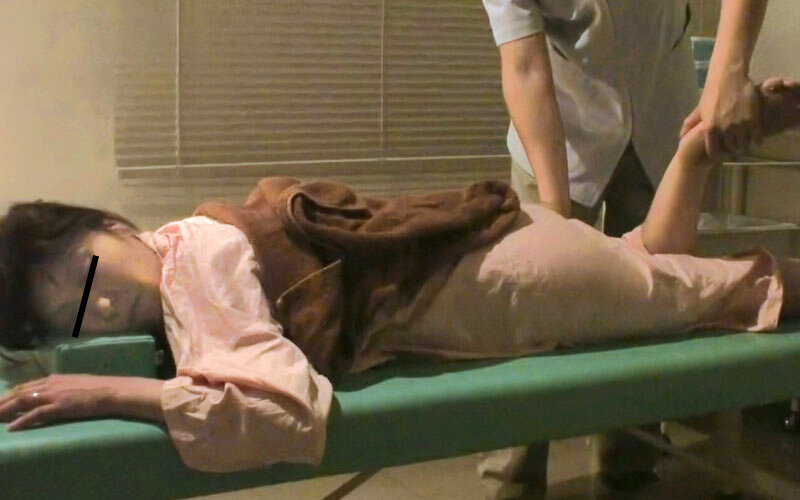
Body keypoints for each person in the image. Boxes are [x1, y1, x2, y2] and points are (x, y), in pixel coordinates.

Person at [0, 79, 798, 476]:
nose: (102, 301)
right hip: (504, 248)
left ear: (106, 226)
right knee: (651, 272)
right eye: (78, 314)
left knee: (698, 292)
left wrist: (110, 394)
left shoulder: (192, 269)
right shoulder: (179, 239)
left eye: (84, 273)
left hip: (500, 282)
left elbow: (287, 415)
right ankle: (694, 153)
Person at [481, 0, 770, 495]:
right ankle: (511, 484)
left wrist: (729, 68)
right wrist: (554, 215)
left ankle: (630, 470)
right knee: (528, 314)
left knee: (653, 307)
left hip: (662, 114)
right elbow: (525, 66)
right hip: (558, 129)